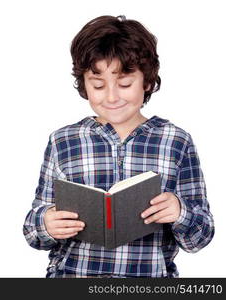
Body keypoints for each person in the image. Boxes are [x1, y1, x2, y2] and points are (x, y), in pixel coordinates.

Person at [23, 15, 214, 278]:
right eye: (98, 85)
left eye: (124, 84)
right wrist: (46, 223)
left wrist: (180, 212)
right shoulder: (63, 141)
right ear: (84, 85)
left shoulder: (175, 141)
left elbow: (201, 237)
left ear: (147, 81)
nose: (112, 97)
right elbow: (33, 233)